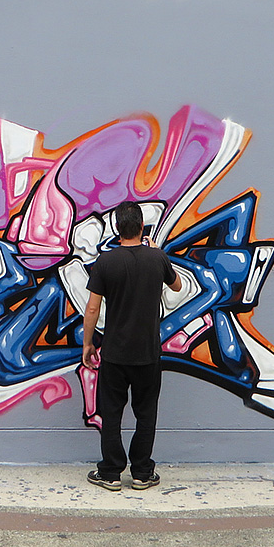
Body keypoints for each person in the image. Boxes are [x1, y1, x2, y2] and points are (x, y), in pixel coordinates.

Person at [81, 200, 181, 491]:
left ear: (116, 228)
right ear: (141, 227)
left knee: (112, 413)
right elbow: (177, 286)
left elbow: (92, 308)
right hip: (148, 353)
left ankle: (111, 473)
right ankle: (142, 473)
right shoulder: (157, 258)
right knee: (146, 413)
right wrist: (157, 253)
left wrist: (88, 344)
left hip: (115, 352)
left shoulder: (105, 262)